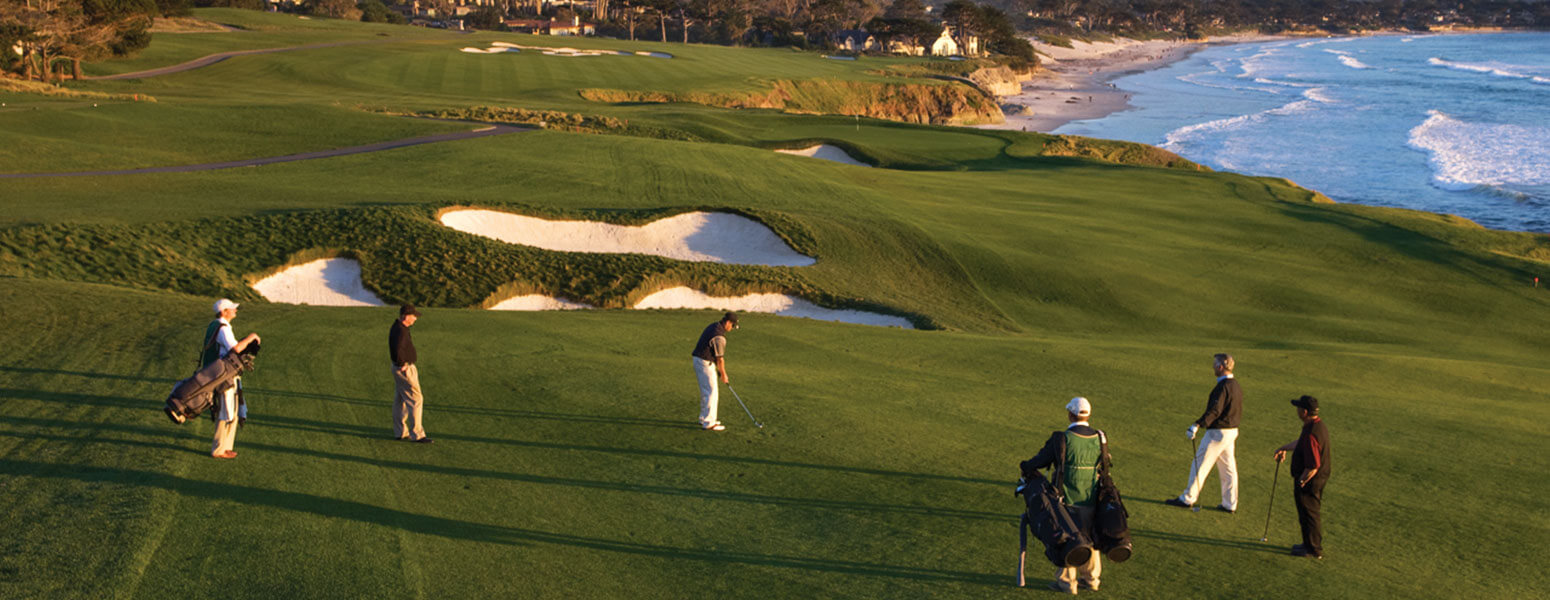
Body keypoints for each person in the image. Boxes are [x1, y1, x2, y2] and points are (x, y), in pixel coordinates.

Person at [1020, 397, 1107, 594]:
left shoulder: (1061, 438)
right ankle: (1092, 579)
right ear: (1088, 414)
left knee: (1068, 538)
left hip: (1065, 497)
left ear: (1070, 414)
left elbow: (1040, 460)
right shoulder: (1100, 437)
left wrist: (1025, 466)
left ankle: (1067, 582)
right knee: (1090, 536)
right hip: (1092, 496)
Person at [1167, 353, 1242, 512]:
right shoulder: (1235, 385)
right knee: (1228, 468)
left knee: (1200, 463)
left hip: (1218, 432)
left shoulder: (1223, 387)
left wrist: (1197, 424)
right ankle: (1230, 503)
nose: (1213, 367)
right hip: (1232, 431)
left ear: (1220, 367)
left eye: (1215, 364)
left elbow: (1215, 410)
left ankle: (1188, 499)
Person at [1274, 395, 1331, 559]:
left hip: (1311, 480)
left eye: (1299, 408)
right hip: (1317, 477)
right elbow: (1302, 443)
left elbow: (1313, 465)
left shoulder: (1312, 432)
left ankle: (1313, 549)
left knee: (1309, 512)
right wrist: (1285, 447)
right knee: (1307, 512)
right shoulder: (1316, 426)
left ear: (1304, 412)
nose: (1297, 410)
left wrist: (1302, 480)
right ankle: (1308, 544)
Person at [205, 299, 259, 460]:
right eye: (232, 309)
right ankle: (218, 449)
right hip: (224, 375)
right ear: (224, 312)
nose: (235, 310)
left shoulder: (216, 325)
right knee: (225, 411)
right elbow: (234, 348)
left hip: (222, 373)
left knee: (232, 410)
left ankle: (226, 447)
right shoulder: (222, 328)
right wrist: (251, 338)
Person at [389, 304, 432, 443]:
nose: (415, 319)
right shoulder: (401, 331)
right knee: (416, 399)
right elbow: (397, 349)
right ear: (406, 316)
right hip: (404, 369)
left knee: (400, 399)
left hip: (398, 367)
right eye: (413, 316)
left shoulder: (399, 327)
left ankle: (400, 432)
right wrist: (403, 364)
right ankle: (417, 434)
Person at [690, 312, 738, 431]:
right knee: (711, 392)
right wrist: (723, 375)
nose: (732, 329)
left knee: (706, 391)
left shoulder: (714, 325)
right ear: (728, 323)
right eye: (732, 326)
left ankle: (704, 418)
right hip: (704, 363)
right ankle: (709, 422)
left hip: (699, 360)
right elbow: (720, 359)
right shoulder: (719, 337)